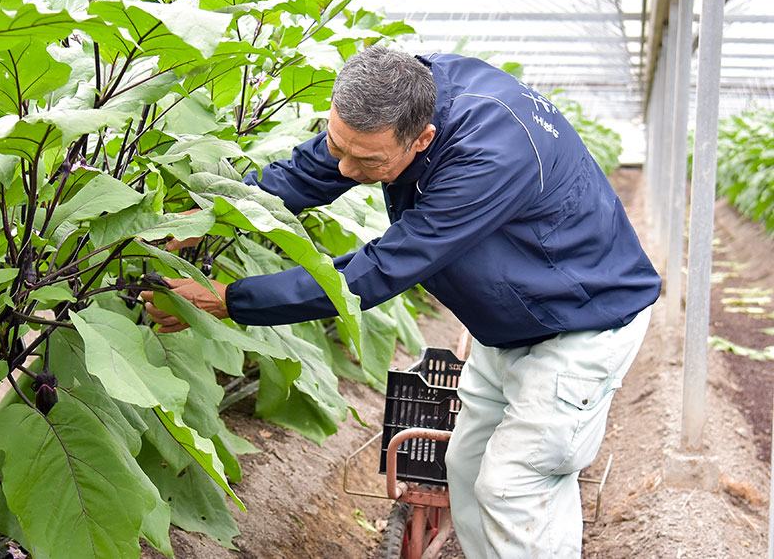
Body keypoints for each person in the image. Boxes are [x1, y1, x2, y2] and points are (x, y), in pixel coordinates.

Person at [140, 45, 660, 558]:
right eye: (337, 144)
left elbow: (380, 270)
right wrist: (218, 210)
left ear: (423, 138)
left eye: (365, 160)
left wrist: (232, 300)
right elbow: (314, 170)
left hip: (582, 323)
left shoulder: (490, 153)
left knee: (514, 486)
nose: (344, 168)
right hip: (513, 324)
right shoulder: (398, 95)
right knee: (470, 471)